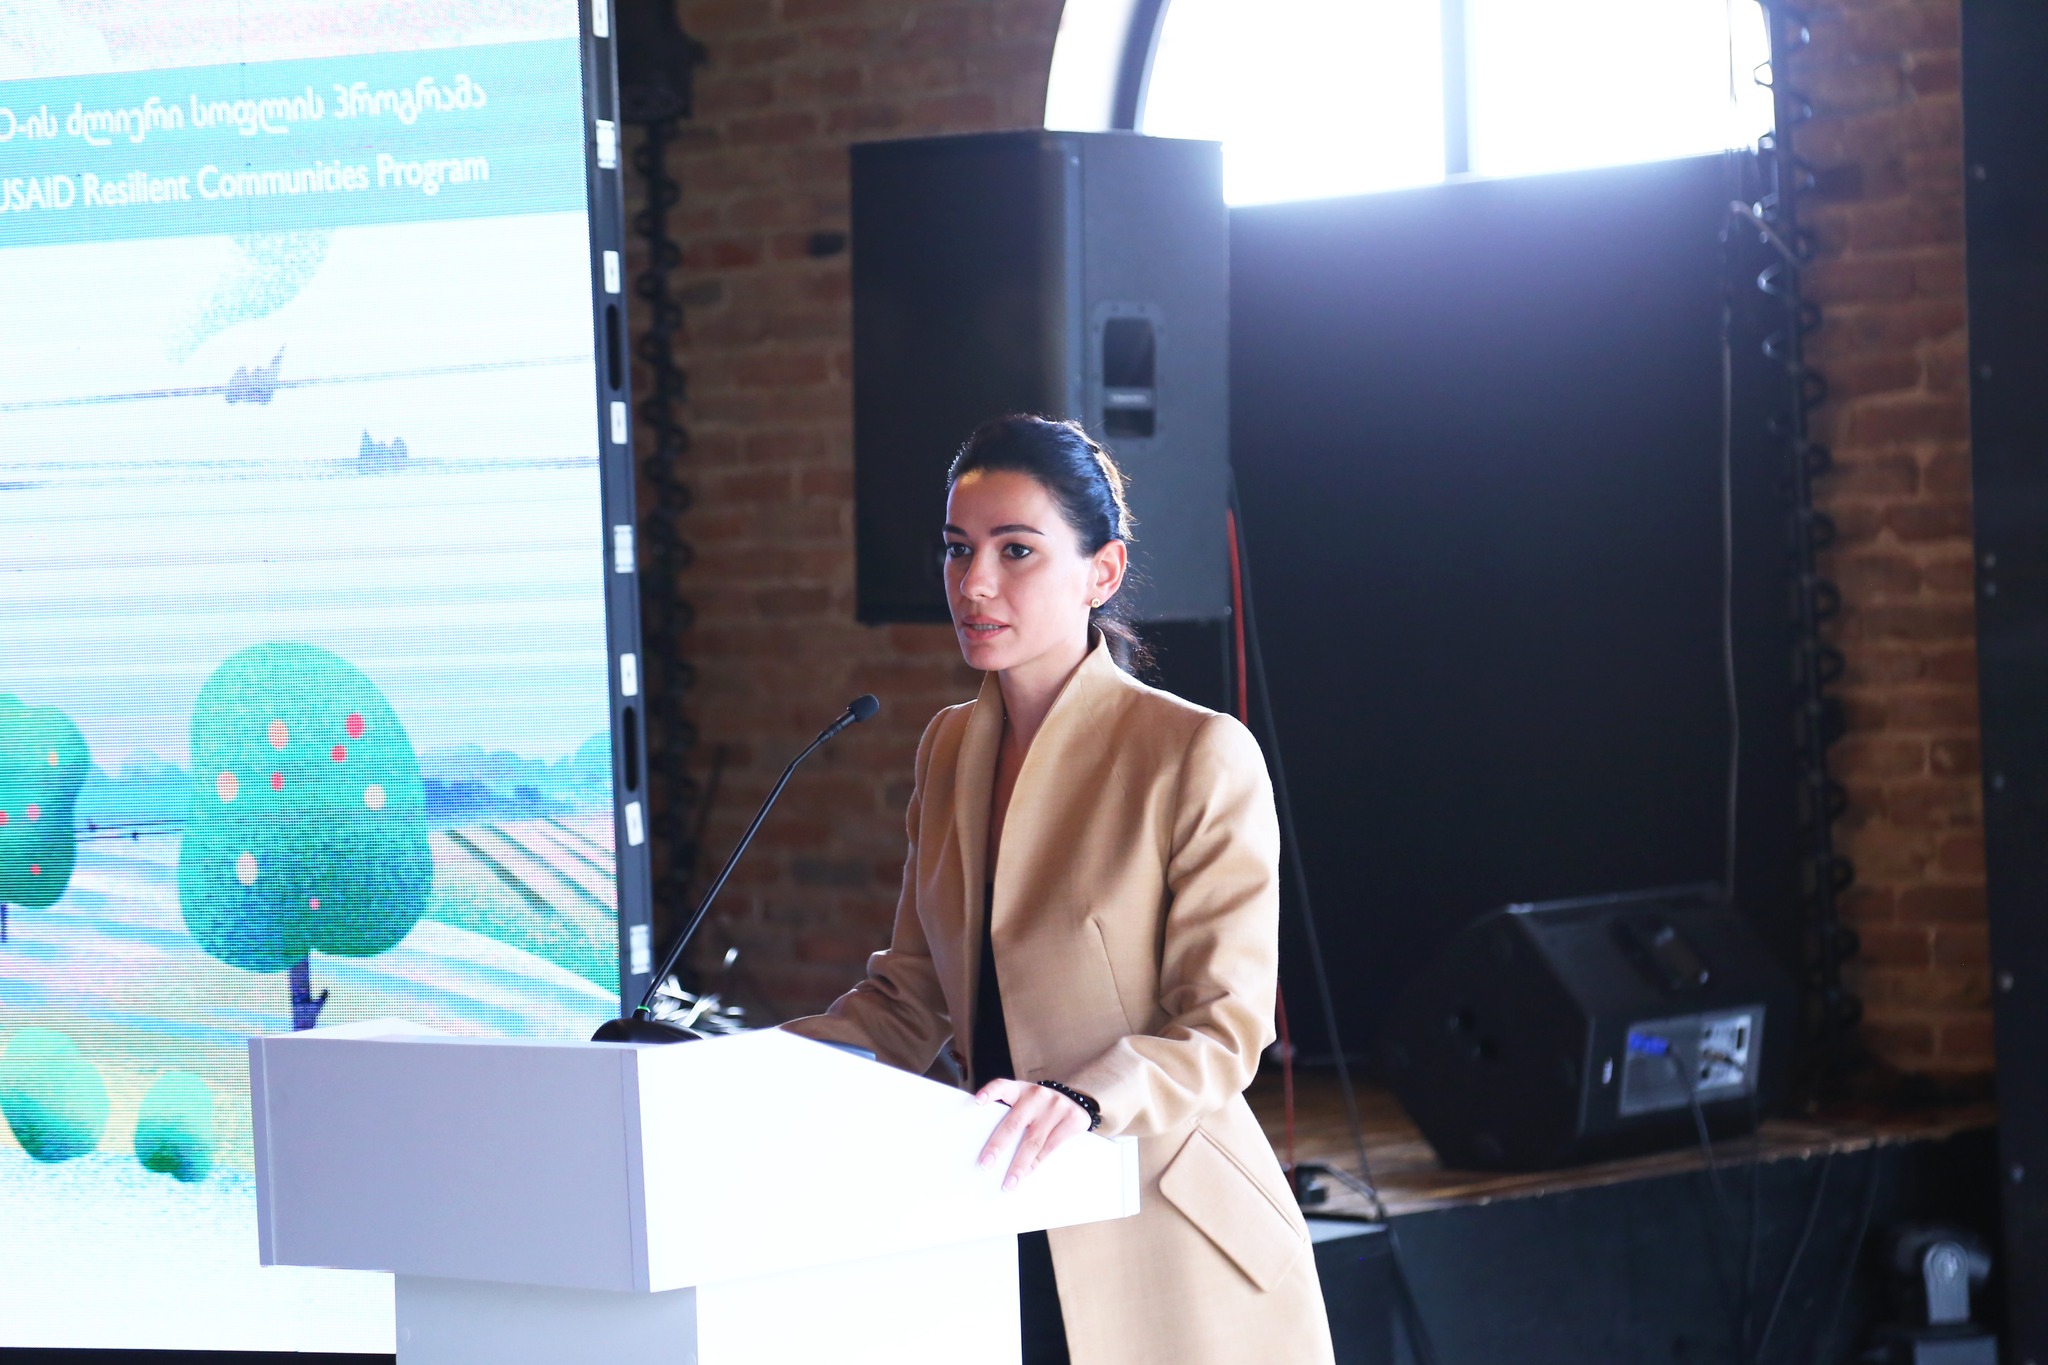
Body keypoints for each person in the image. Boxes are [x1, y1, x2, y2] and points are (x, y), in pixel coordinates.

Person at [784, 414, 1335, 1365]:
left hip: (1170, 1235)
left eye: (1016, 550)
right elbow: (910, 998)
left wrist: (1082, 1096)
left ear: (1103, 572)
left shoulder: (1198, 752)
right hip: (998, 1215)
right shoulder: (948, 746)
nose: (974, 582)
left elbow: (1224, 1027)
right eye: (958, 549)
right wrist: (745, 1070)